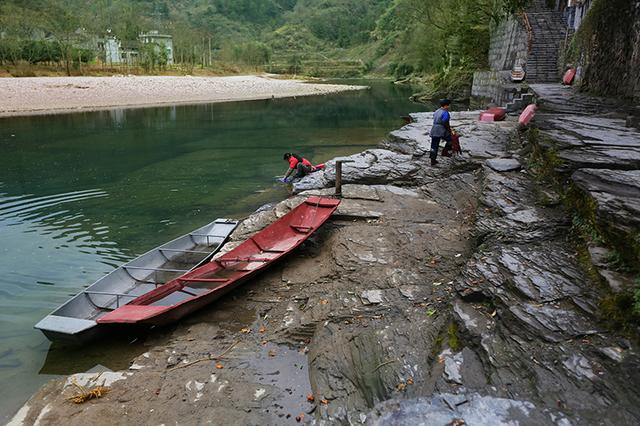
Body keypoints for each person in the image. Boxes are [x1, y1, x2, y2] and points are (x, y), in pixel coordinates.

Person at [429, 99, 453, 166]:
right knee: (450, 140)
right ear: (446, 105)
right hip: (441, 129)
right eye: (449, 105)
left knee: (434, 145)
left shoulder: (437, 111)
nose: (449, 106)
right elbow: (445, 122)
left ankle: (432, 160)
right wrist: (449, 130)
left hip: (434, 129)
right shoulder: (445, 112)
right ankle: (445, 152)